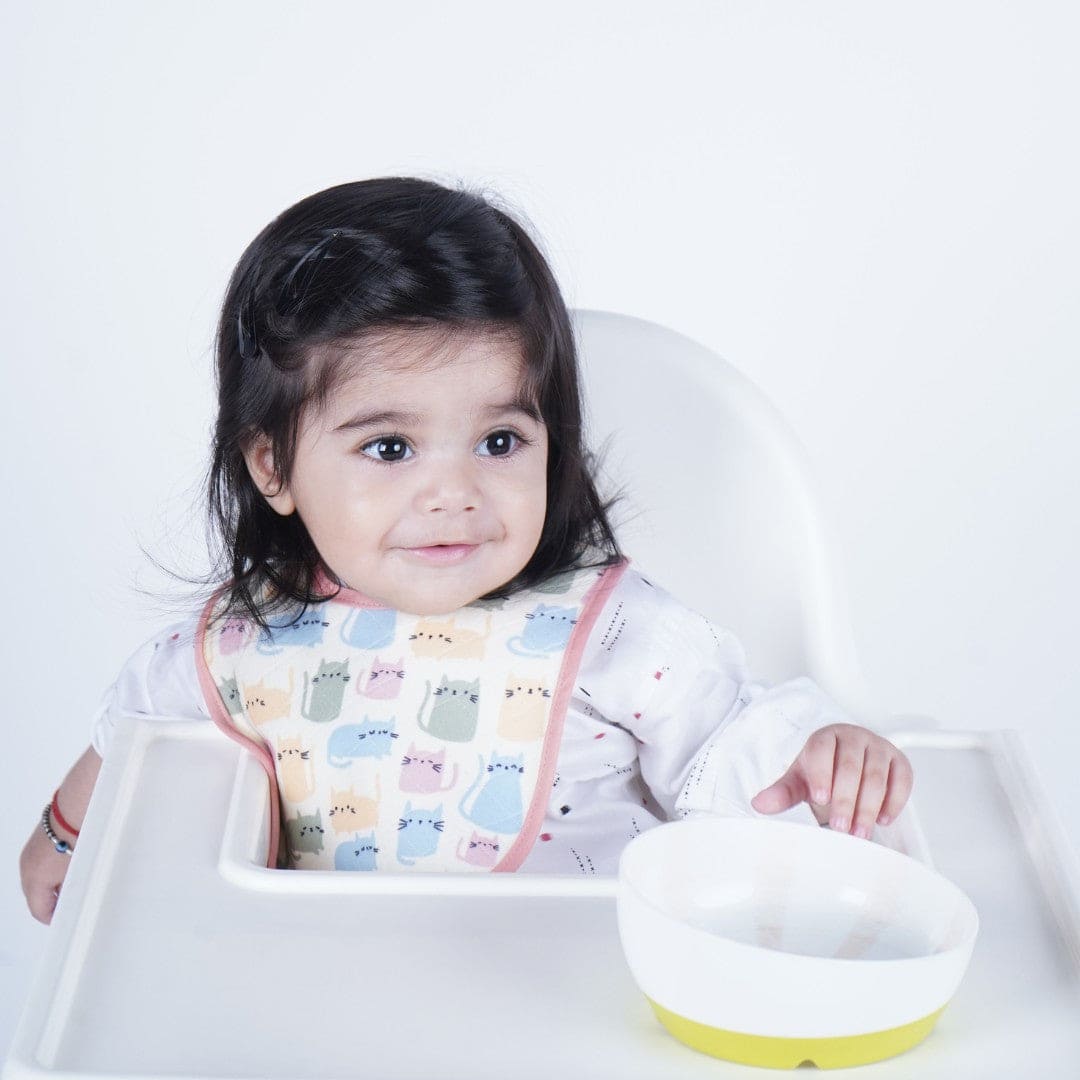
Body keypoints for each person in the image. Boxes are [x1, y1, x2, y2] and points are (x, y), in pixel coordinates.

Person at [20, 177, 912, 920]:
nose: (454, 494)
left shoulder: (614, 634)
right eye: (390, 448)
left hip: (585, 995)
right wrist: (66, 834)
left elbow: (731, 748)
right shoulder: (248, 642)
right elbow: (138, 724)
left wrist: (822, 756)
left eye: (498, 442)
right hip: (343, 1012)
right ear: (273, 466)